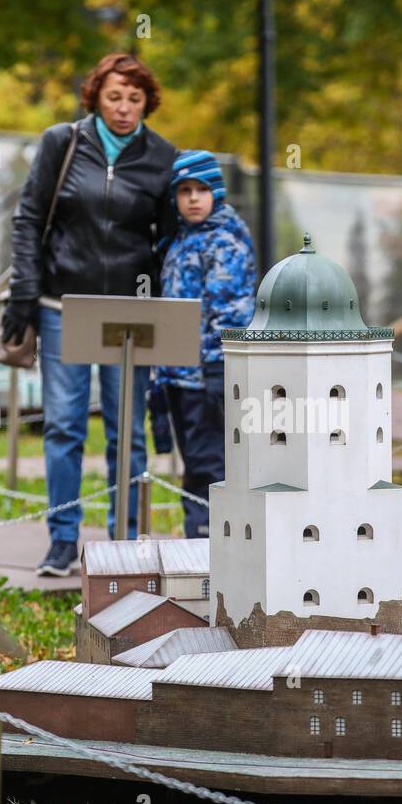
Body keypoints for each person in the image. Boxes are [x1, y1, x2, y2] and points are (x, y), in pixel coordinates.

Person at [2, 52, 177, 576]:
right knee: (64, 427)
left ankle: (124, 541)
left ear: (148, 102)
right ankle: (61, 541)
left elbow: (168, 240)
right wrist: (24, 292)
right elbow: (29, 218)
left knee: (129, 431)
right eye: (114, 97)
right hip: (62, 306)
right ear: (96, 97)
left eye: (135, 98)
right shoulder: (63, 142)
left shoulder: (164, 158)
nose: (124, 108)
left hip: (132, 311)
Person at [151, 150, 256, 537]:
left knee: (211, 465)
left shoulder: (224, 243)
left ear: (217, 194)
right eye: (184, 190)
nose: (193, 198)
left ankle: (211, 546)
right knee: (194, 463)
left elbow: (230, 315)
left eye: (202, 189)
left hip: (208, 377)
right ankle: (198, 537)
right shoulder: (179, 241)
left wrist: (217, 372)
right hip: (179, 377)